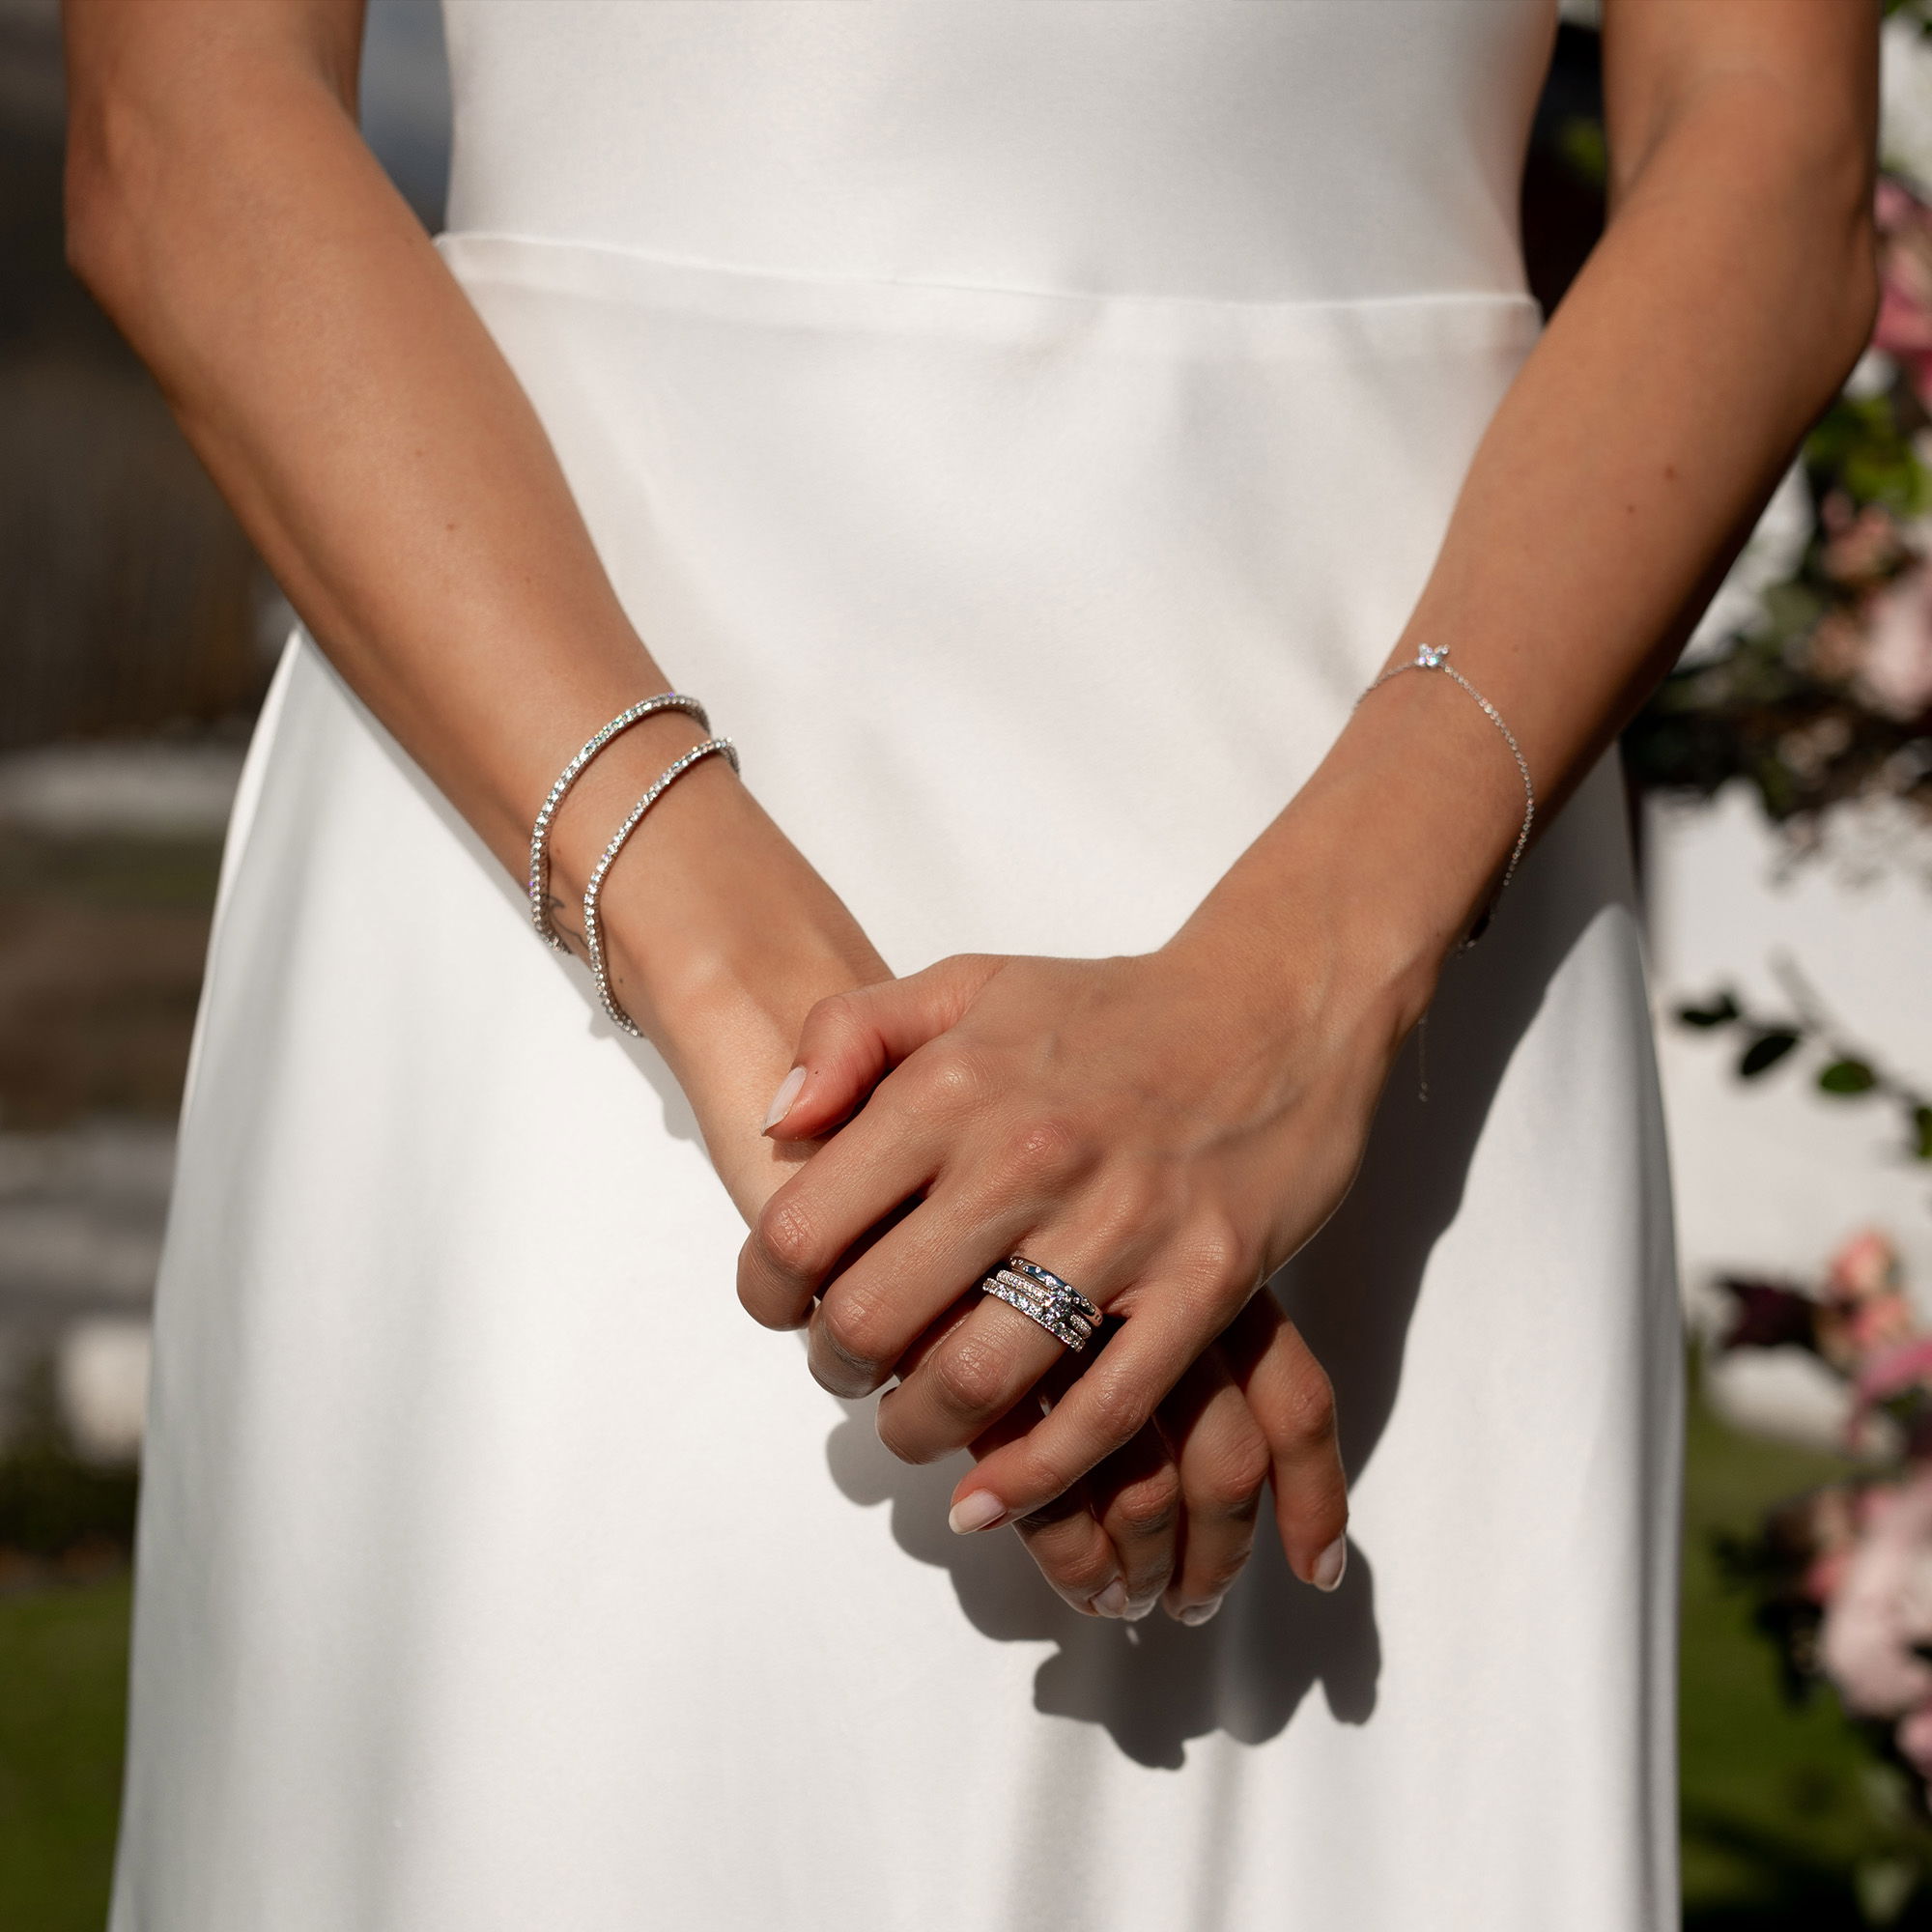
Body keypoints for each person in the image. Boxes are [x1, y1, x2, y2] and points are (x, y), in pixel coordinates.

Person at [64, 2, 1876, 1926]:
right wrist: (795, 1055)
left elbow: (1764, 142)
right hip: (532, 719)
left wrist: (1312, 993)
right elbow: (183, 125)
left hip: (1410, 792)